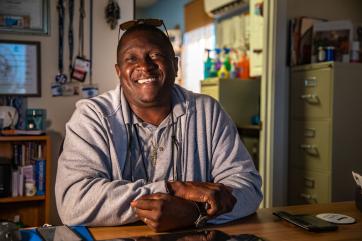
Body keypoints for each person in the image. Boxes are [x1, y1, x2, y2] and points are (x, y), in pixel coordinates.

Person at [55, 19, 262, 232]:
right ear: (119, 72)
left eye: (155, 55)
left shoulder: (207, 112)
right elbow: (74, 203)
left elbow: (248, 187)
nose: (144, 66)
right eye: (131, 58)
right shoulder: (92, 116)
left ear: (175, 65)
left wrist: (194, 212)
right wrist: (174, 189)